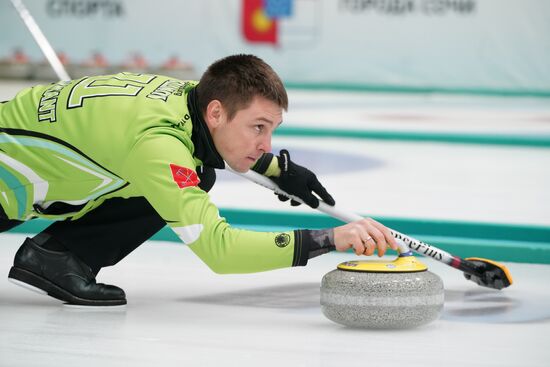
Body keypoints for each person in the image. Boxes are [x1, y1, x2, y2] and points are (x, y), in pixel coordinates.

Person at [0, 54, 397, 306]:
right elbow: (220, 252)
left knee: (200, 171)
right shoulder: (158, 144)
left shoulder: (185, 97)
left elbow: (210, 144)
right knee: (193, 175)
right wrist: (331, 239)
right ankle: (60, 256)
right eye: (258, 127)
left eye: (271, 130)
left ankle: (60, 259)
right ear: (217, 112)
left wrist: (280, 170)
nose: (266, 143)